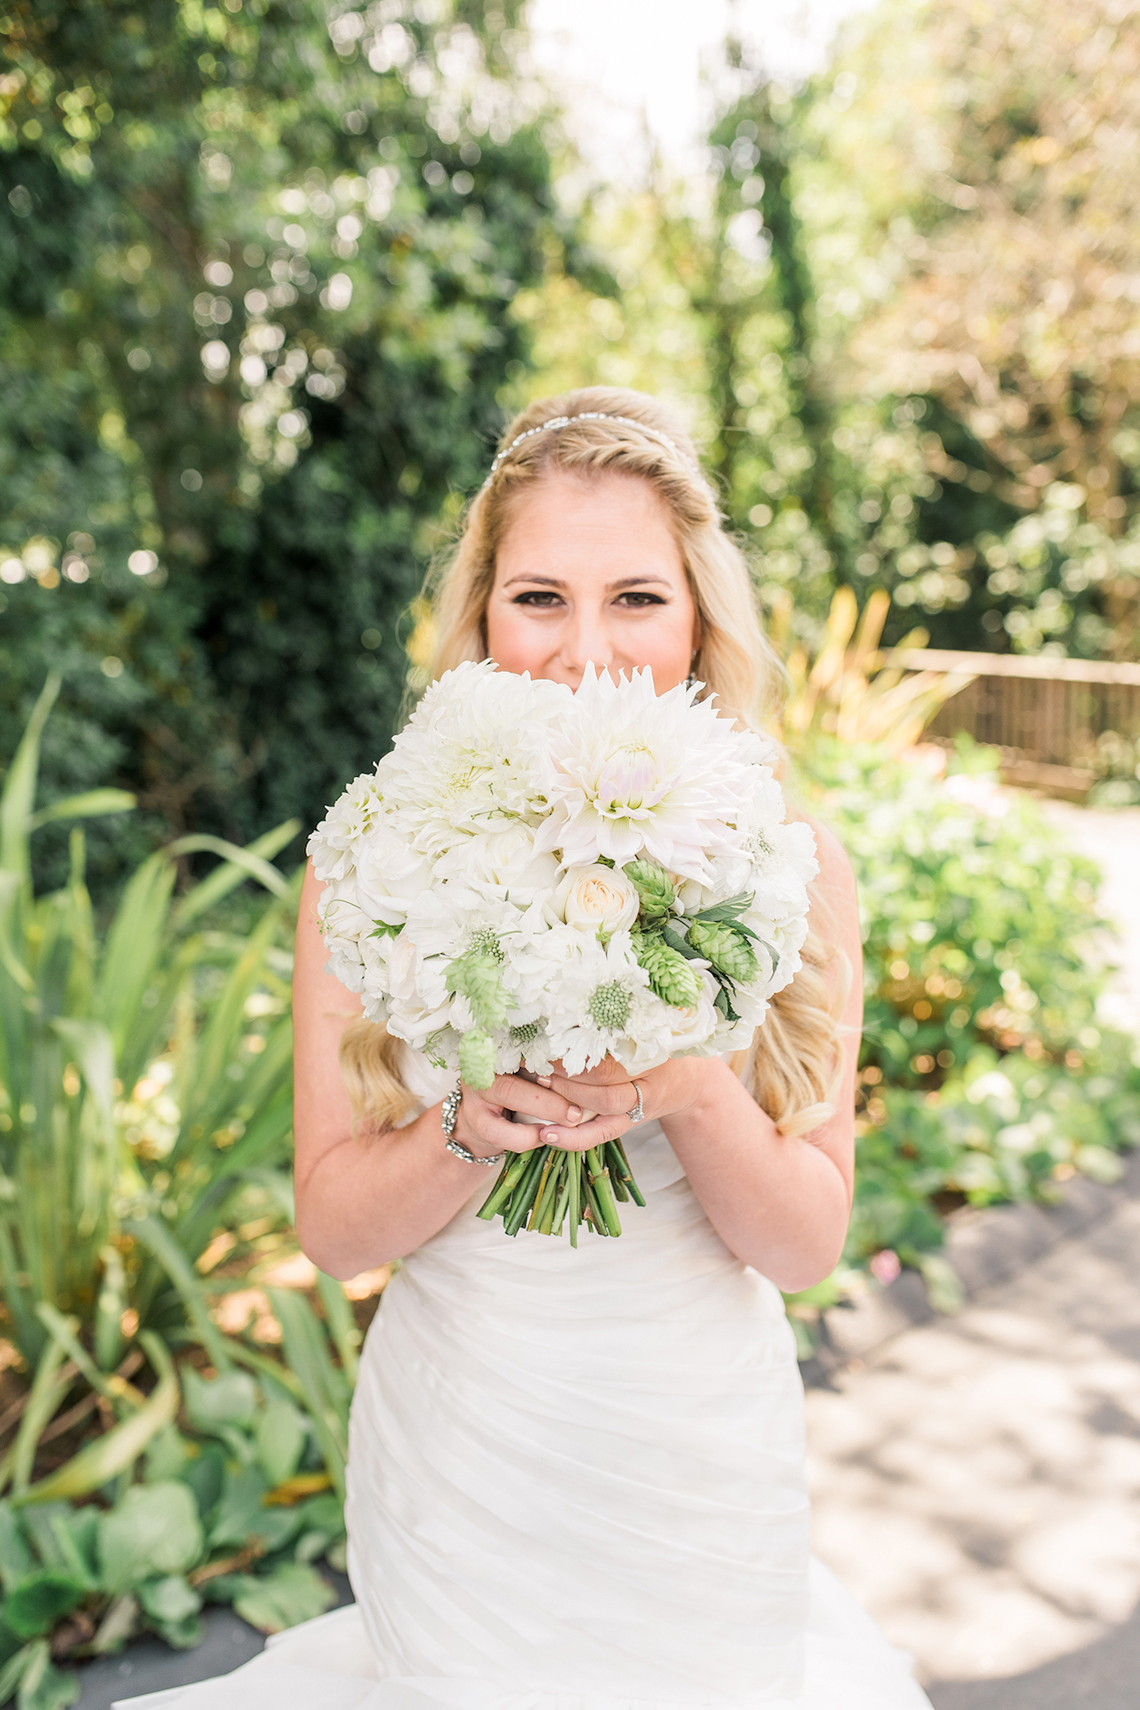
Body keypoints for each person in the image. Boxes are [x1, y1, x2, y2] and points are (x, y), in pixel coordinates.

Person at [124, 388, 933, 1709]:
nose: (586, 649)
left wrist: (680, 1085)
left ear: (698, 616)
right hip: (464, 1453)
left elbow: (802, 1244)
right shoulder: (374, 861)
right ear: (483, 616)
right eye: (539, 597)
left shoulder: (791, 862)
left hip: (692, 1463)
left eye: (637, 598)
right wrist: (463, 1128)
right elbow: (332, 1231)